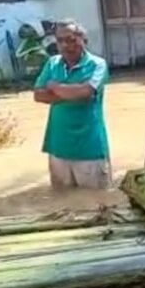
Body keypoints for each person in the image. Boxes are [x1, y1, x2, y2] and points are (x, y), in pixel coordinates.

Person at [33, 19, 111, 190]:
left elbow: (85, 93)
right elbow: (38, 95)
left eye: (71, 39)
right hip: (58, 148)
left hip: (90, 149)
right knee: (62, 207)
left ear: (83, 40)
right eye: (60, 41)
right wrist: (73, 93)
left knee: (97, 207)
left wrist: (54, 87)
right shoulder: (52, 63)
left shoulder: (97, 64)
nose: (66, 45)